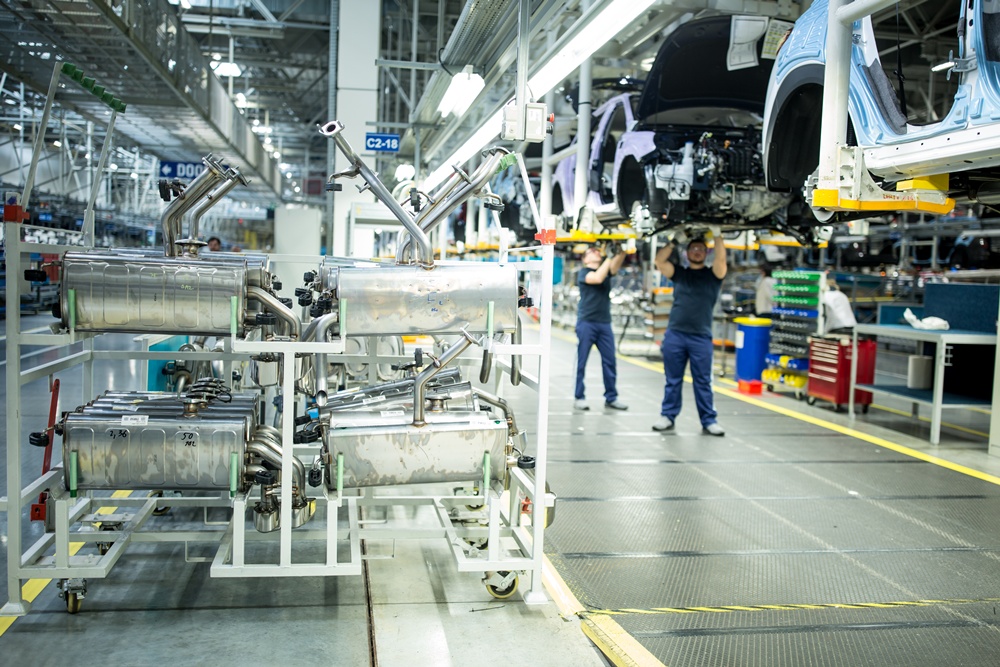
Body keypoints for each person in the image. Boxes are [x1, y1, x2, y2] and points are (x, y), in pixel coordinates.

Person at [652, 227, 727, 436]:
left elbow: (721, 261)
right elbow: (659, 261)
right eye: (692, 248)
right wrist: (675, 241)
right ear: (687, 252)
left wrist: (718, 236)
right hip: (676, 334)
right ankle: (667, 416)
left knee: (703, 381)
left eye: (700, 249)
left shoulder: (714, 276)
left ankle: (709, 420)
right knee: (672, 380)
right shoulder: (680, 274)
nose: (696, 251)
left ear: (706, 253)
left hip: (700, 337)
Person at [574, 244, 628, 411]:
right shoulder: (584, 273)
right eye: (591, 251)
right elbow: (596, 278)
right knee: (582, 362)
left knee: (610, 361)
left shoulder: (605, 271)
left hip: (604, 323)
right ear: (585, 259)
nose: (596, 251)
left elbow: (616, 263)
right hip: (587, 323)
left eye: (597, 250)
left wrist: (622, 248)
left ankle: (611, 397)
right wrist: (610, 257)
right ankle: (579, 397)